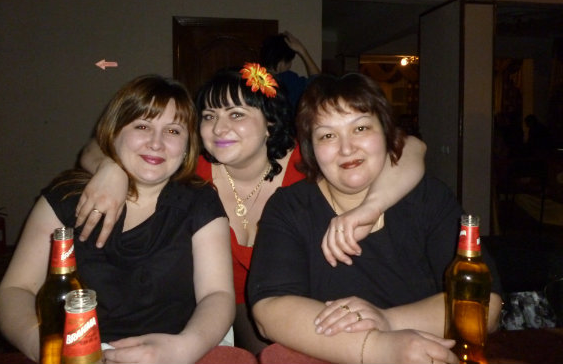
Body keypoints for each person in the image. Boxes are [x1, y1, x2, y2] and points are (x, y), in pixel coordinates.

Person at [75, 64, 427, 353]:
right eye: (209, 116)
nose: (219, 127)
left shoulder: (309, 160)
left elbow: (411, 148)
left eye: (236, 114)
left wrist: (372, 207)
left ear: (269, 122)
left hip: (301, 295)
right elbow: (97, 146)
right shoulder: (191, 170)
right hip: (220, 303)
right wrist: (110, 168)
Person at [247, 73, 503, 364]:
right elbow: (270, 311)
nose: (347, 148)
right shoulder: (290, 207)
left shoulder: (429, 198)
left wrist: (388, 321)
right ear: (311, 149)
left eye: (361, 128)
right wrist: (378, 346)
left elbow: (486, 305)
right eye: (327, 135)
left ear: (387, 133)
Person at [0, 75, 234, 364]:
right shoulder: (66, 198)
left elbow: (217, 294)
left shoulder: (200, 201)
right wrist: (47, 348)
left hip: (174, 350)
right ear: (114, 132)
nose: (156, 143)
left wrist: (184, 348)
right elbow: (16, 289)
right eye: (142, 126)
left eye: (173, 131)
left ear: (187, 146)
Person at [260, 31, 321, 109]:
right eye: (290, 62)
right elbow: (318, 83)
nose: (290, 66)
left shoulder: (254, 81)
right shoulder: (289, 80)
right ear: (282, 62)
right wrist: (302, 51)